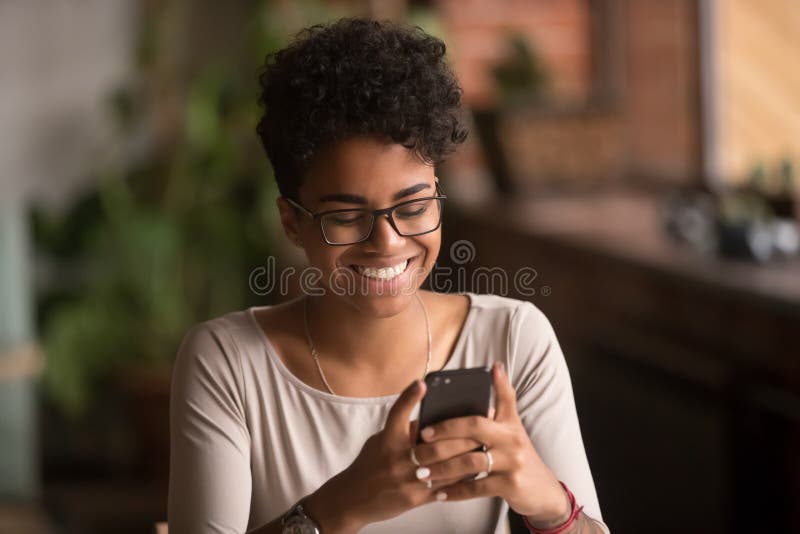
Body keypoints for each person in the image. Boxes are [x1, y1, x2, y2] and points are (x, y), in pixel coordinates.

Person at [168, 18, 608, 534]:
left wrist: (547, 501)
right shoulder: (229, 365)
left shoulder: (512, 341)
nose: (388, 243)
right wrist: (341, 506)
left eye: (413, 205)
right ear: (292, 222)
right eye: (346, 216)